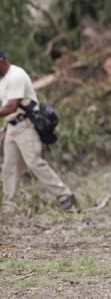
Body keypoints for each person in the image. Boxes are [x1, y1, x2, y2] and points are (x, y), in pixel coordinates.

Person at [0, 51, 75, 213]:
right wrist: (6, 128)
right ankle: (8, 206)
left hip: (25, 125)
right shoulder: (3, 80)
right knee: (9, 167)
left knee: (34, 162)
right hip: (12, 127)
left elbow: (12, 106)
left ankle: (65, 195)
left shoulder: (16, 75)